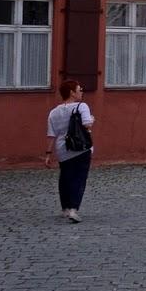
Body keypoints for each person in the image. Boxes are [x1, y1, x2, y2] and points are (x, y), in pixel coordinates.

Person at [45, 80, 95, 223]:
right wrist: (92, 119)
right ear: (72, 92)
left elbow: (51, 134)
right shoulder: (82, 106)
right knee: (79, 178)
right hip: (80, 148)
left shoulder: (54, 112)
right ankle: (74, 208)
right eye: (79, 89)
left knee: (65, 178)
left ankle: (65, 208)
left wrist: (48, 154)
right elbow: (87, 124)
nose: (81, 91)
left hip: (63, 150)